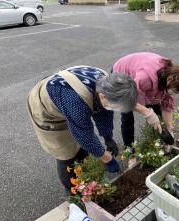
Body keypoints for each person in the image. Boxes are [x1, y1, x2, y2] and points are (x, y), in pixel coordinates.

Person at [26, 66, 138, 194]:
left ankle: (85, 177)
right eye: (115, 107)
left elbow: (104, 112)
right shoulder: (76, 101)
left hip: (66, 97)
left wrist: (108, 137)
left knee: (83, 148)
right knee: (66, 153)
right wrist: (107, 158)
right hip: (45, 108)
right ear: (103, 96)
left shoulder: (107, 83)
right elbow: (84, 135)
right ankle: (73, 192)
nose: (114, 109)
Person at [112, 52, 179, 149]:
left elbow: (167, 105)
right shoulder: (145, 78)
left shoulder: (173, 75)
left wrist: (169, 128)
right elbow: (127, 100)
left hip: (142, 73)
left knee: (157, 110)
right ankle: (129, 151)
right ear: (169, 79)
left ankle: (162, 140)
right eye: (176, 90)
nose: (175, 94)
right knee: (127, 116)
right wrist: (148, 113)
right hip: (122, 76)